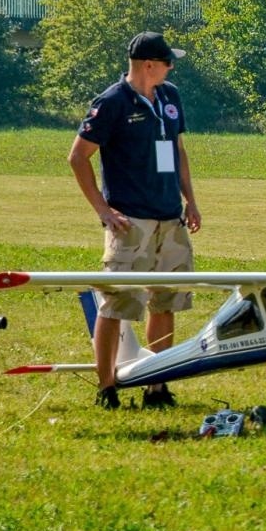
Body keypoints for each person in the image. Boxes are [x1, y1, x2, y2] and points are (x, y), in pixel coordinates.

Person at [68, 32, 202, 410]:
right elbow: (78, 157)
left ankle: (156, 386)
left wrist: (190, 201)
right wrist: (103, 210)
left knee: (166, 302)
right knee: (117, 304)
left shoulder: (170, 96)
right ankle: (106, 387)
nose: (171, 68)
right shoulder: (111, 102)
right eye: (167, 62)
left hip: (170, 219)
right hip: (130, 222)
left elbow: (177, 150)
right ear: (148, 65)